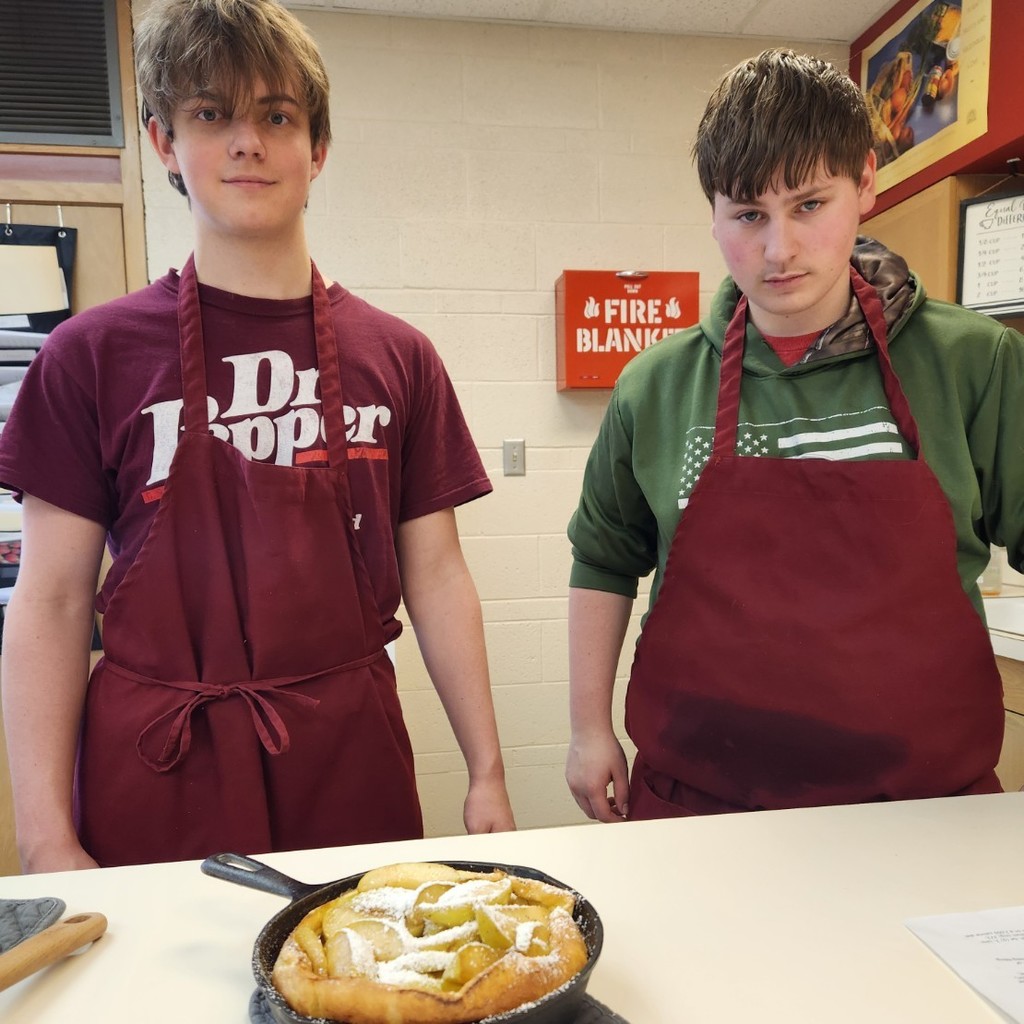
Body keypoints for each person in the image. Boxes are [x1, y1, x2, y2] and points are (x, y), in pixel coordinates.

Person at [0, 0, 515, 872]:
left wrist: (489, 773)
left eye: (277, 115)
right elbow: (49, 601)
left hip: (348, 759)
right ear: (164, 143)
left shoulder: (399, 357)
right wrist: (45, 833)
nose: (248, 142)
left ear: (316, 149)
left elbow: (436, 575)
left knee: (361, 998)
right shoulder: (89, 356)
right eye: (212, 115)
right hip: (157, 768)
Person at [565, 48, 1024, 822]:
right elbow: (603, 562)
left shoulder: (972, 361)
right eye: (749, 214)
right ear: (713, 214)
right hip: (697, 805)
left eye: (809, 204)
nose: (779, 249)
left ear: (866, 185)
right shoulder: (656, 385)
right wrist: (587, 730)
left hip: (928, 809)